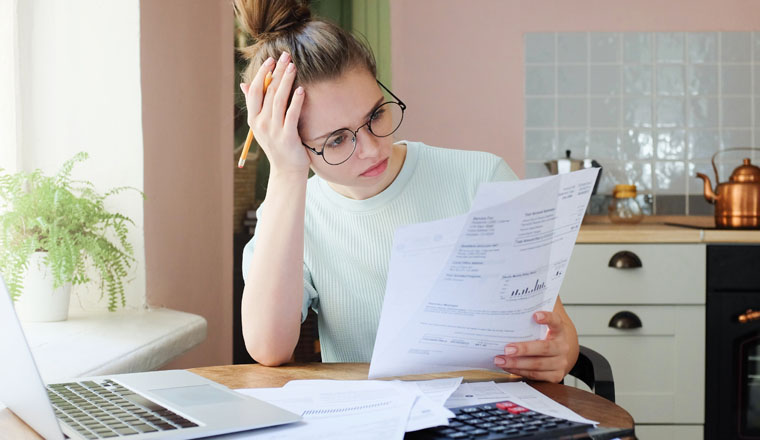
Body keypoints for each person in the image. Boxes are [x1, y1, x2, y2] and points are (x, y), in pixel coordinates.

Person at [236, 0, 578, 383]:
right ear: (292, 143)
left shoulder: (482, 177)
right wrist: (285, 171)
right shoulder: (292, 213)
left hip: (487, 409)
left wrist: (562, 350)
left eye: (375, 115)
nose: (370, 148)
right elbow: (268, 347)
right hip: (372, 419)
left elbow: (555, 327)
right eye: (336, 140)